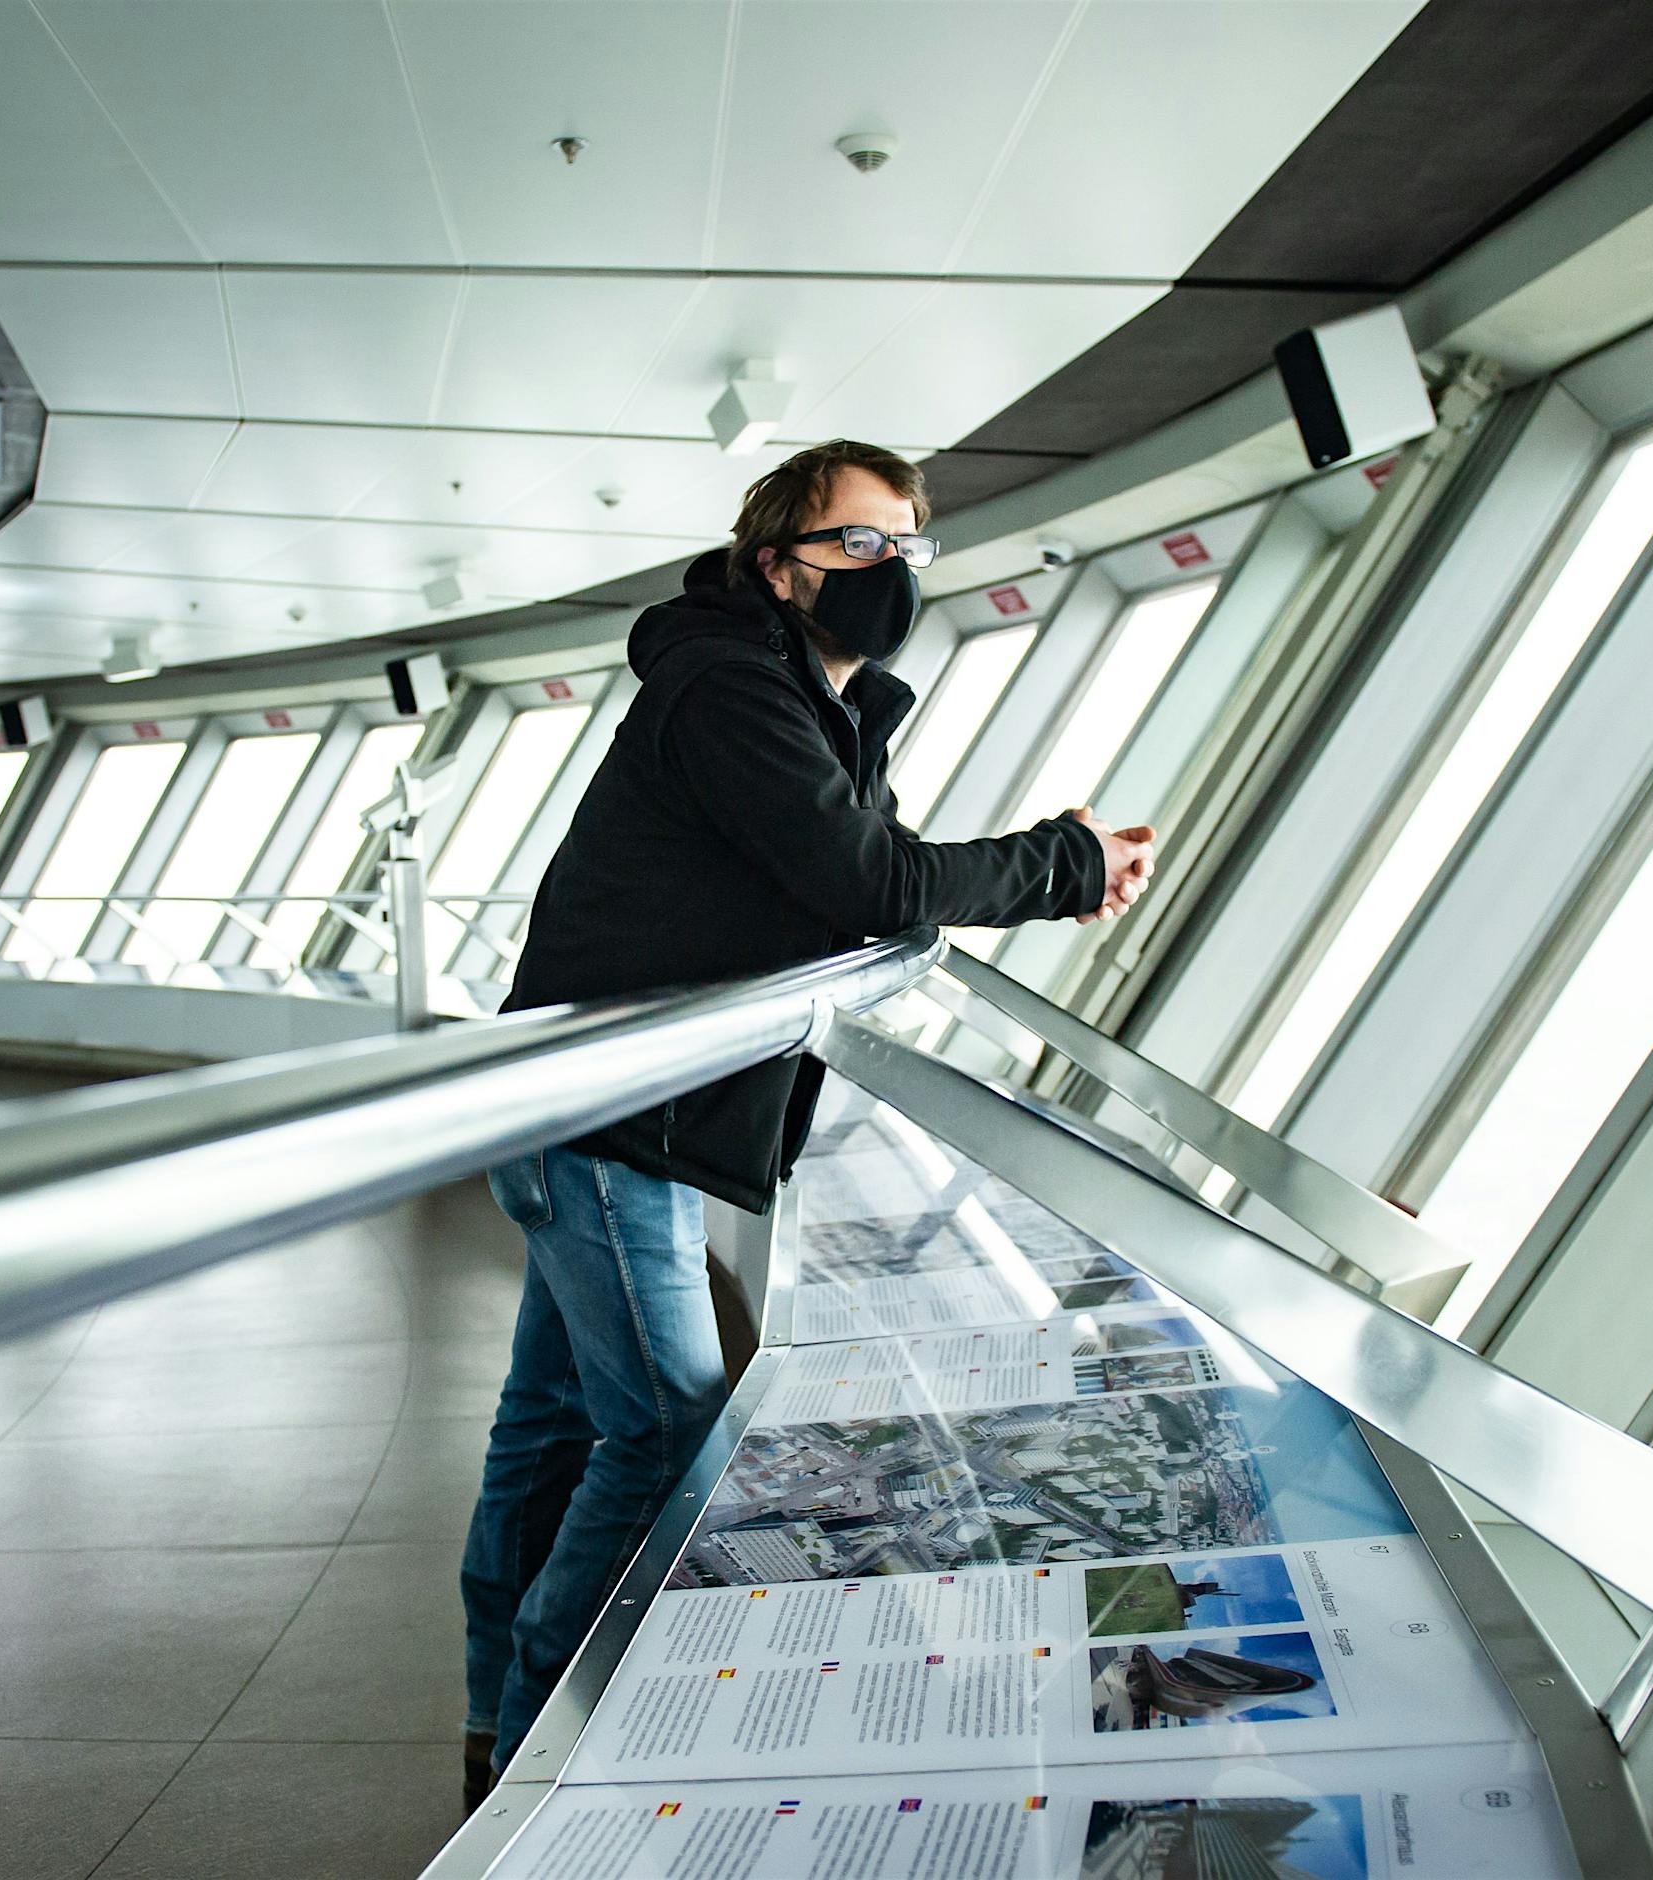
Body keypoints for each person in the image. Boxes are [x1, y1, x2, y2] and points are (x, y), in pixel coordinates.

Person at [459, 439, 1154, 1808]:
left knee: (548, 1431)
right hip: (615, 1128)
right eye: (855, 545)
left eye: (905, 546)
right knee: (661, 1429)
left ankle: (497, 1726)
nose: (886, 571)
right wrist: (1065, 864)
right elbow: (870, 877)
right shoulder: (728, 687)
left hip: (611, 1121)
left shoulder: (814, 703)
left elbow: (848, 884)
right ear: (778, 566)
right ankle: (537, 1756)